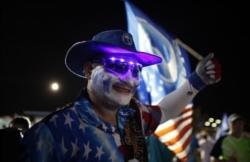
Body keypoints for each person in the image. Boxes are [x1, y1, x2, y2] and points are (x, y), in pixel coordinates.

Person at [18, 29, 221, 162]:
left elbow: (166, 110)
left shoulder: (134, 114)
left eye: (136, 69)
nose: (130, 79)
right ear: (89, 70)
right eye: (117, 65)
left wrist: (198, 80)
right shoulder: (52, 131)